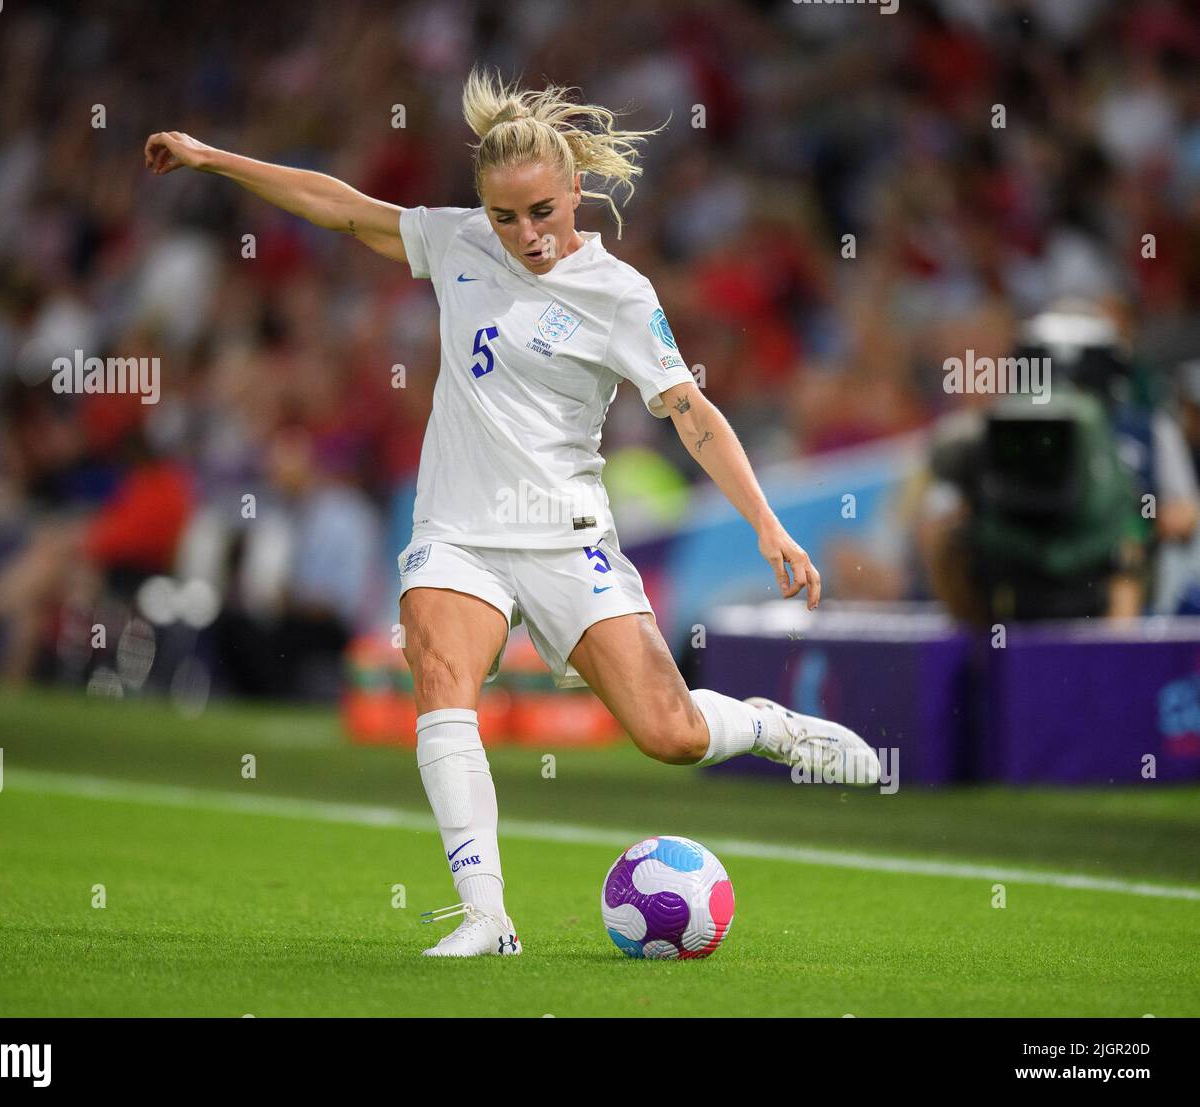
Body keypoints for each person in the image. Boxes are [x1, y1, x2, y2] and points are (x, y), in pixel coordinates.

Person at [143, 67, 880, 959]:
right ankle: (487, 915)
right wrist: (212, 158)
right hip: (458, 533)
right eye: (504, 216)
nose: (525, 234)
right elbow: (339, 206)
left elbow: (691, 411)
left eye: (541, 211)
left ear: (576, 189)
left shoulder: (620, 295)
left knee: (672, 734)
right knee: (442, 677)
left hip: (568, 538)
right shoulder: (458, 245)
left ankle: (772, 725)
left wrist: (767, 522)